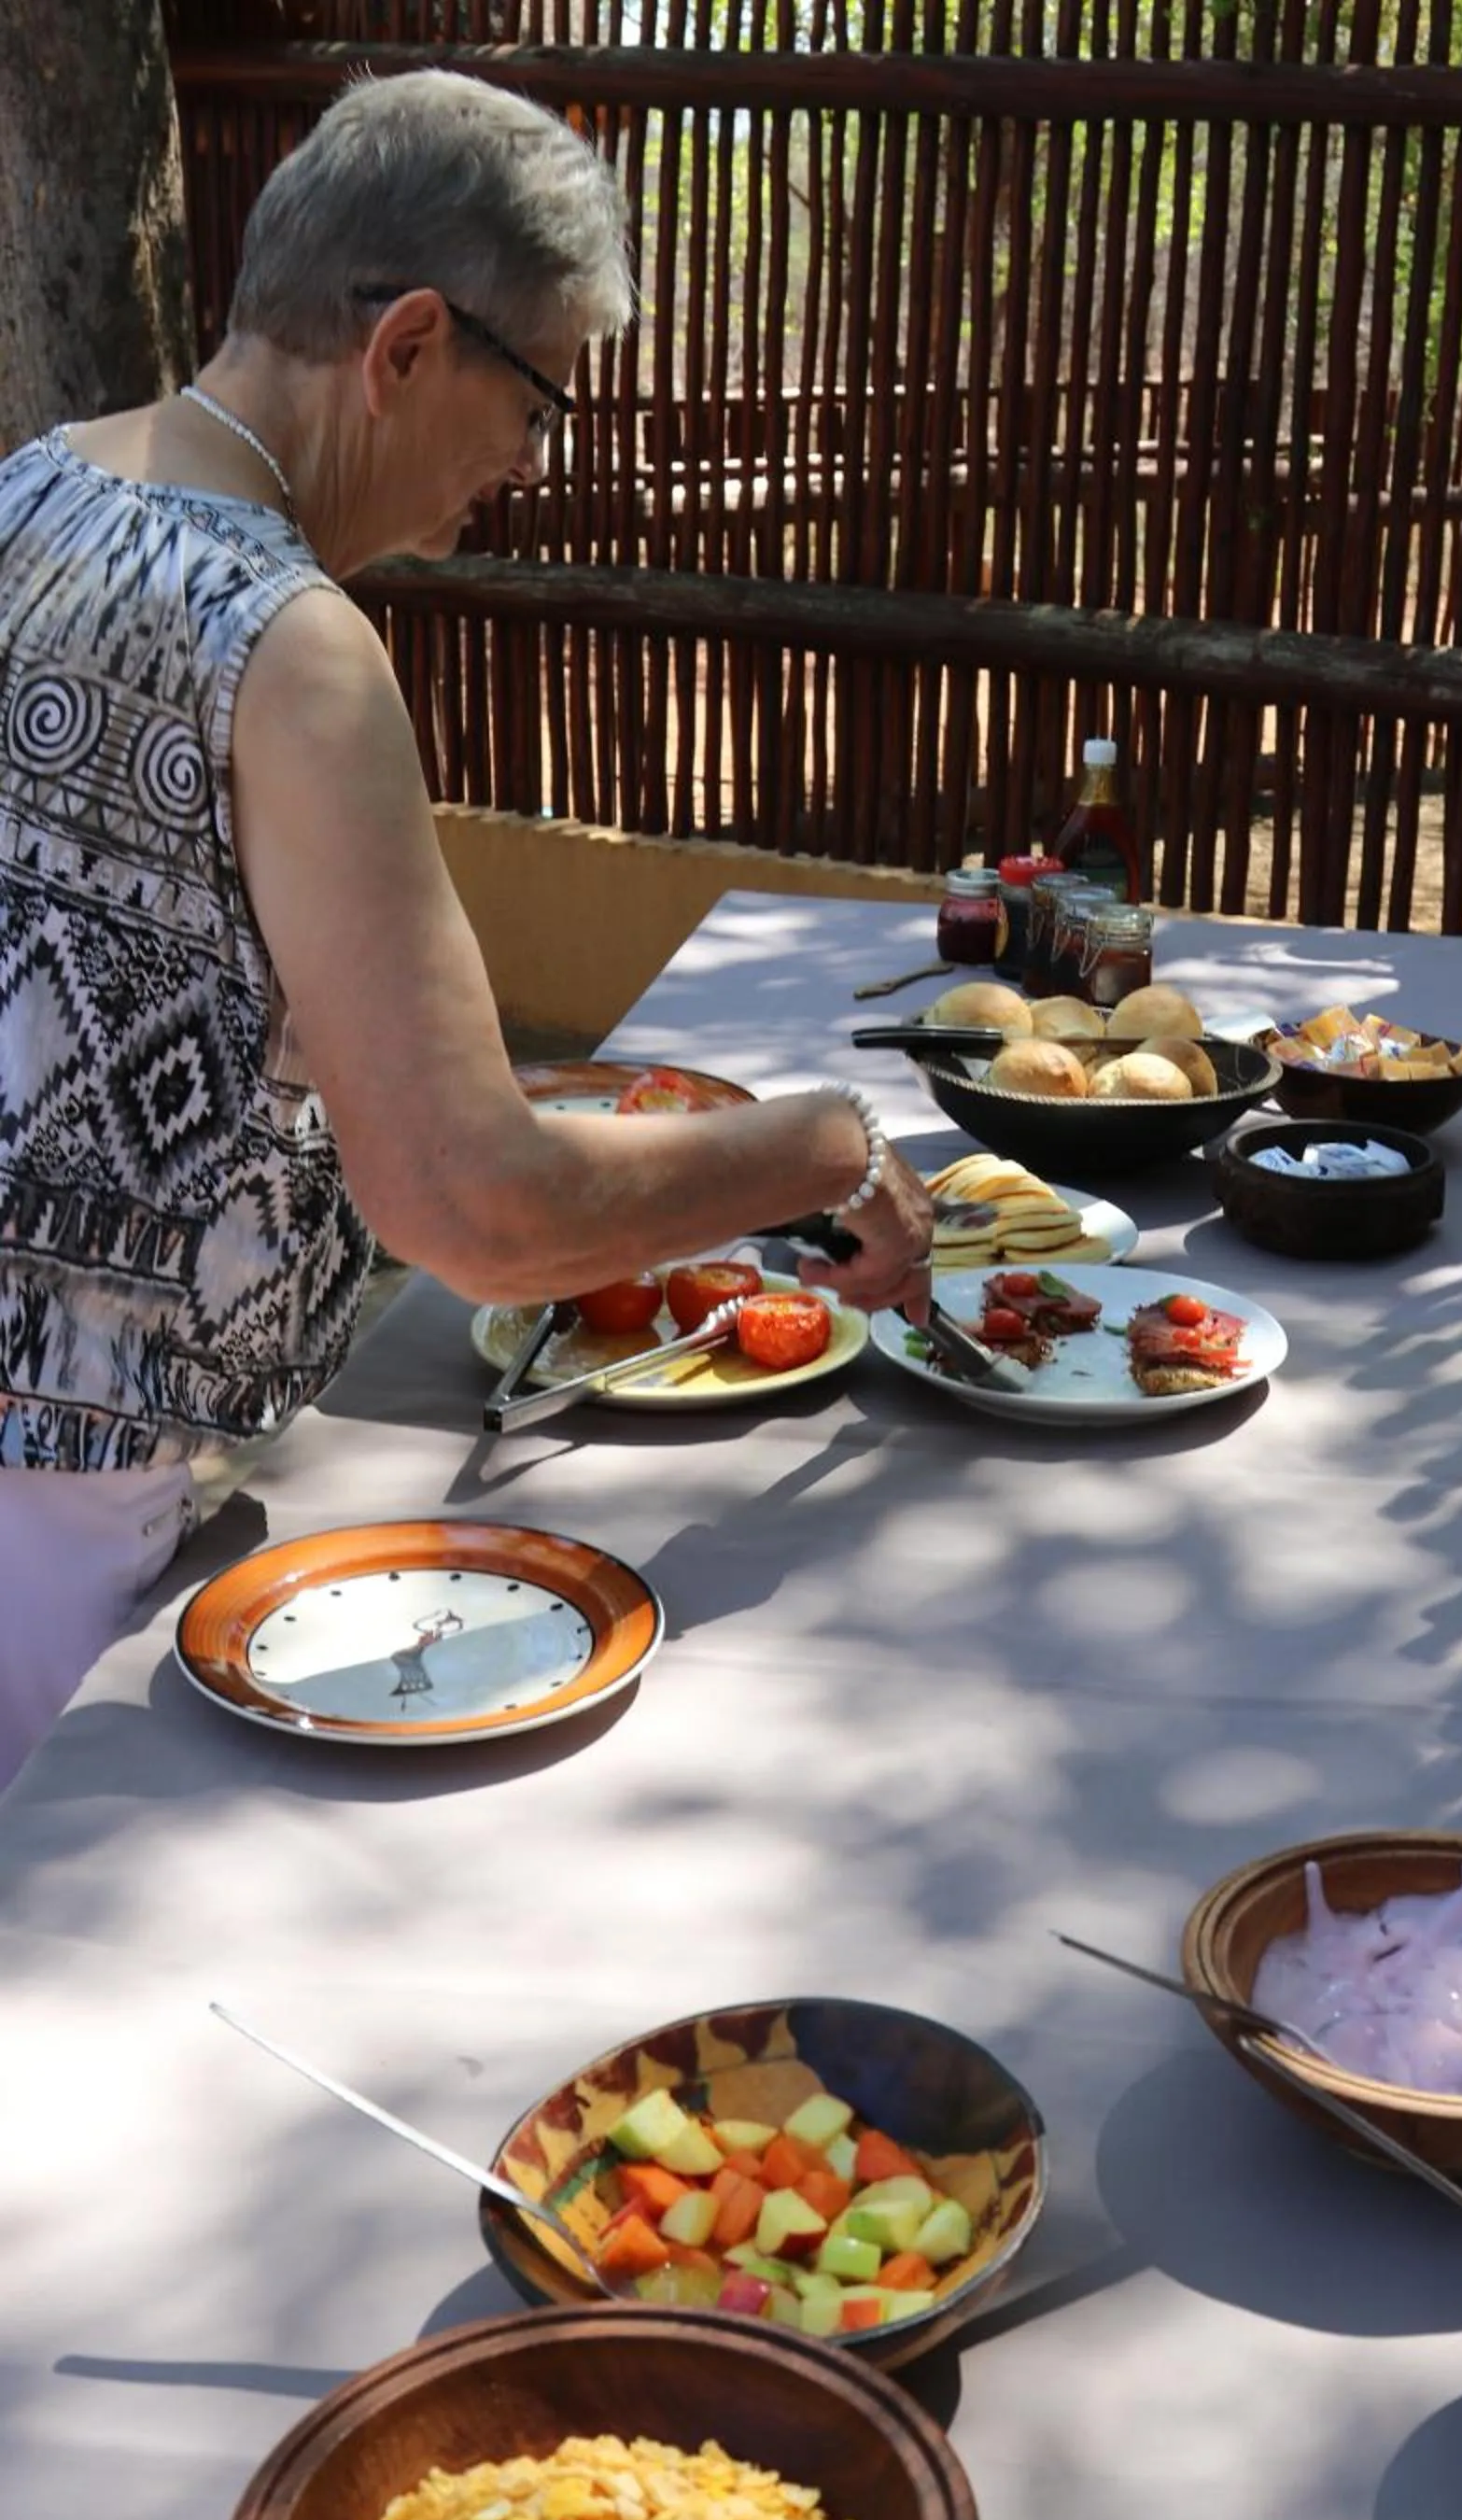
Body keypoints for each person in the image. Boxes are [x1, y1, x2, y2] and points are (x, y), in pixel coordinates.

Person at [0, 70, 933, 1783]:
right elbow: (474, 1207)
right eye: (544, 400)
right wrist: (817, 1145)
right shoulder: (290, 647)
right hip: (48, 1518)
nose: (530, 461)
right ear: (412, 342)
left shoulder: (31, 489)